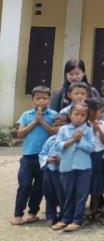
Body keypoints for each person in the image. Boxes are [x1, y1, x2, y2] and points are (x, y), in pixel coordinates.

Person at [12, 86, 57, 226]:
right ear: (33, 100)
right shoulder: (26, 115)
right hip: (28, 157)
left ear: (49, 100)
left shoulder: (53, 115)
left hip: (44, 158)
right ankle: (18, 214)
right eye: (38, 98)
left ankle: (33, 213)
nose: (41, 101)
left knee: (39, 187)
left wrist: (42, 121)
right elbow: (19, 134)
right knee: (24, 185)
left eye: (44, 98)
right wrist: (35, 121)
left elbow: (55, 133)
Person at [53, 102, 95, 232]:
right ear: (70, 115)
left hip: (84, 168)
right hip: (67, 167)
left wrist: (80, 140)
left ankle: (77, 220)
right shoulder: (63, 129)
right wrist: (72, 139)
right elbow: (58, 145)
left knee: (81, 194)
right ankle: (65, 219)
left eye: (83, 115)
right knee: (68, 194)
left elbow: (91, 148)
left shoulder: (88, 130)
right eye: (76, 114)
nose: (79, 117)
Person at [38, 114, 67, 227]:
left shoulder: (69, 141)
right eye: (55, 125)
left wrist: (62, 160)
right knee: (48, 193)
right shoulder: (50, 140)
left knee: (62, 194)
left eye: (62, 125)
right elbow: (42, 154)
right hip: (49, 171)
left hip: (62, 171)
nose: (58, 128)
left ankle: (64, 216)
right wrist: (48, 159)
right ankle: (51, 216)